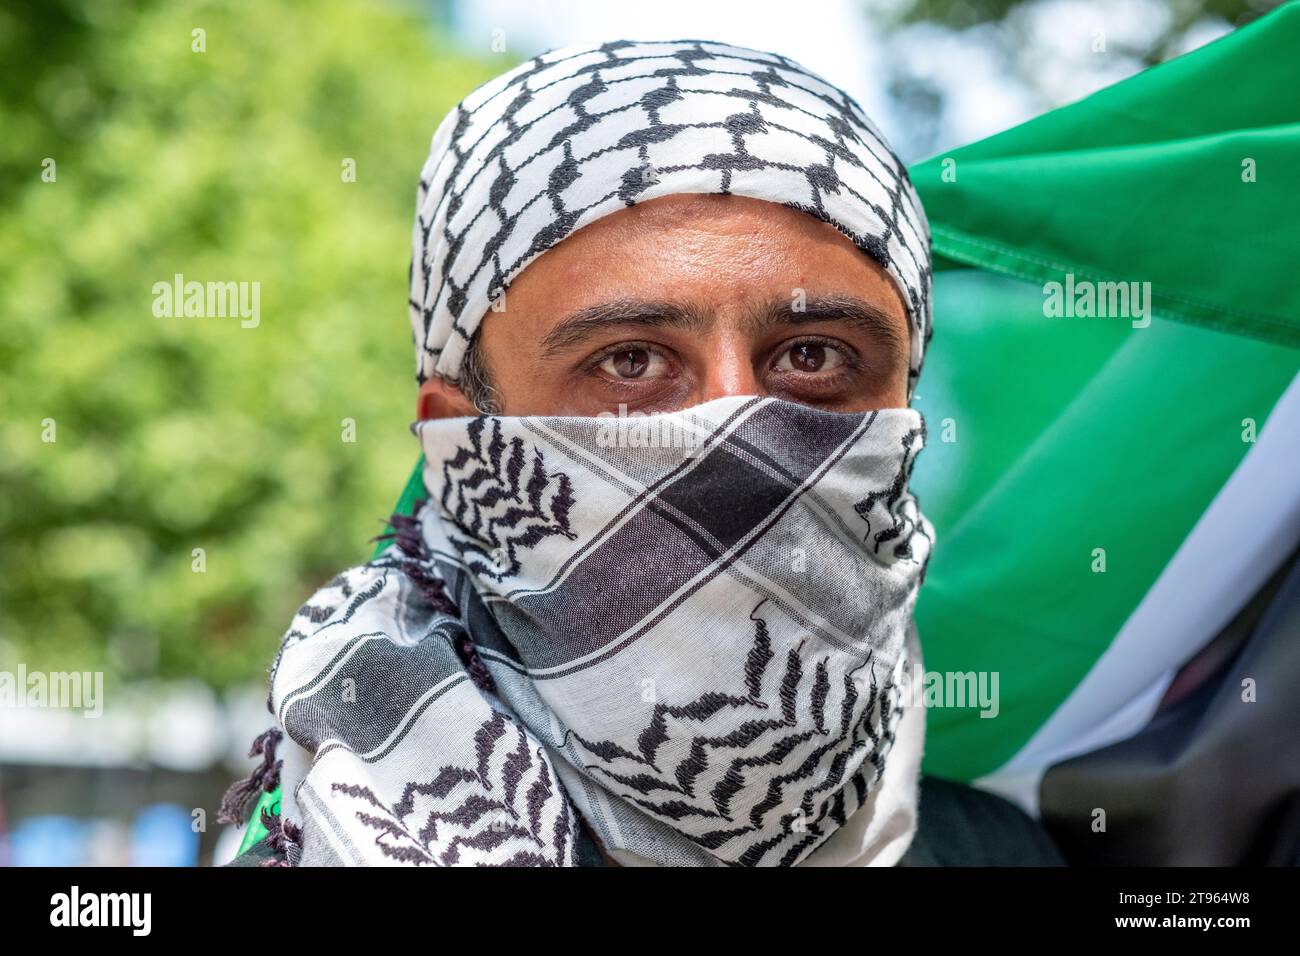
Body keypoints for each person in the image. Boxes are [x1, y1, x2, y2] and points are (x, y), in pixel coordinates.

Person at [222, 38, 1062, 867]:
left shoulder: (1000, 853)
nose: (737, 431)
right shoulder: (346, 836)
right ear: (461, 442)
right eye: (630, 362)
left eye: (813, 355)